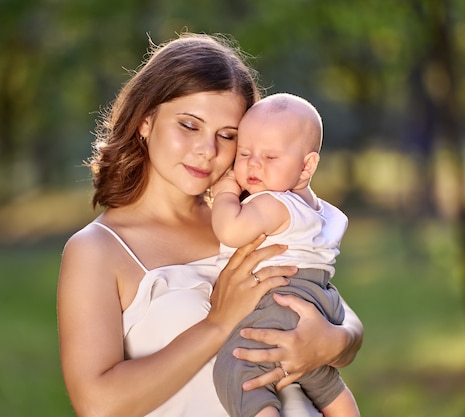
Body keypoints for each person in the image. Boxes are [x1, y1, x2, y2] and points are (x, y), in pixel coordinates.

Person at [57, 32, 363, 417]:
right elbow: (98, 404)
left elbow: (333, 305)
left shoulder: (252, 216)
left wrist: (336, 341)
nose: (208, 150)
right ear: (146, 121)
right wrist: (218, 323)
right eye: (189, 125)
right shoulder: (98, 249)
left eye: (228, 135)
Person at [211, 93, 360, 417]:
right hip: (318, 301)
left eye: (270, 157)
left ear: (306, 166)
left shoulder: (271, 202)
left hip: (278, 301)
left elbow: (230, 231)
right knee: (321, 379)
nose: (253, 164)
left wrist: (224, 194)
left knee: (240, 372)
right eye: (245, 153)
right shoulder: (317, 208)